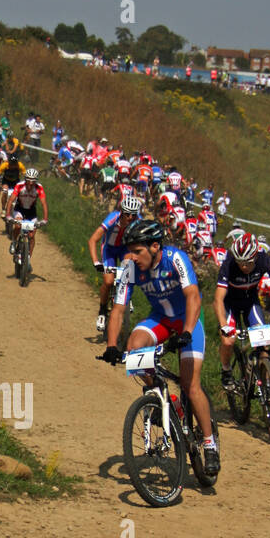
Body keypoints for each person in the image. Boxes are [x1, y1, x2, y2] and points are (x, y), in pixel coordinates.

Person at [102, 218, 220, 476]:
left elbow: (192, 297)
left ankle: (210, 444)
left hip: (188, 318)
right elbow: (119, 309)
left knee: (191, 384)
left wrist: (187, 332)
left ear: (155, 246)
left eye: (137, 251)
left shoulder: (175, 258)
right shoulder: (131, 268)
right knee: (133, 350)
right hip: (161, 319)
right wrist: (112, 345)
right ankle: (166, 399)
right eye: (129, 250)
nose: (131, 256)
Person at [213, 232, 270, 387]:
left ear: (256, 257)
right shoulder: (229, 264)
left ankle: (266, 383)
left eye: (248, 262)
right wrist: (224, 325)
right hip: (230, 303)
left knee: (263, 345)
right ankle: (226, 371)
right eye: (240, 262)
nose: (243, 266)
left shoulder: (265, 259)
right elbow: (218, 299)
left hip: (251, 302)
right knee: (228, 341)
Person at [88, 192, 142, 333]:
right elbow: (93, 239)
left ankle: (127, 296)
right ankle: (102, 311)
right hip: (109, 250)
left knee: (130, 267)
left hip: (125, 249)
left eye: (134, 215)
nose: (131, 218)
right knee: (107, 281)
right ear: (122, 213)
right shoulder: (113, 218)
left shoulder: (138, 221)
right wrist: (96, 262)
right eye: (128, 215)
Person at [5, 170, 48, 261]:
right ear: (25, 180)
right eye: (29, 180)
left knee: (32, 236)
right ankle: (13, 242)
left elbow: (44, 203)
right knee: (17, 226)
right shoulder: (20, 186)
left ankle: (28, 259)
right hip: (19, 209)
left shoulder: (39, 188)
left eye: (33, 181)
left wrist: (45, 219)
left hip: (31, 211)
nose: (31, 183)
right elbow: (11, 200)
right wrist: (8, 215)